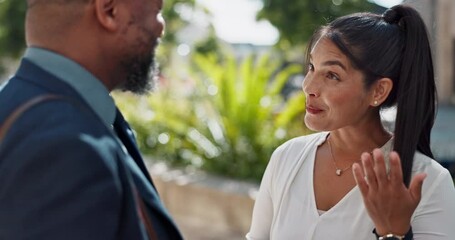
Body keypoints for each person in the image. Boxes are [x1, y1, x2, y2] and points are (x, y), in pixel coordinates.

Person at [247, 4, 455, 240]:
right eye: (312, 67)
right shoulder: (287, 157)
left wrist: (394, 234)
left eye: (332, 75)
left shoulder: (428, 183)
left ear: (378, 91)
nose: (308, 86)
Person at [0, 0, 183, 239]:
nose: (160, 28)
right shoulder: (67, 146)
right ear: (109, 11)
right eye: (157, 11)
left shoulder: (19, 102)